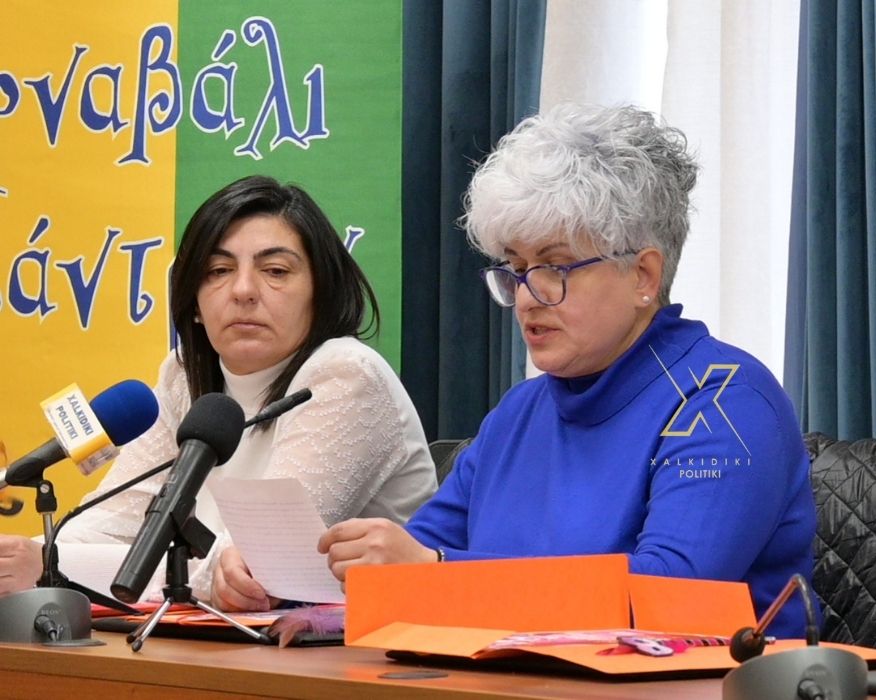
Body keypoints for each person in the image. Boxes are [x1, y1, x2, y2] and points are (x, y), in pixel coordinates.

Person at [314, 103, 817, 637]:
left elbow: (664, 596)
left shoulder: (725, 403)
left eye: (555, 267)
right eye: (516, 269)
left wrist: (434, 571)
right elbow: (414, 557)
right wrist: (312, 593)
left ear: (643, 276)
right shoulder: (519, 411)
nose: (527, 297)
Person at [0, 176, 438, 608]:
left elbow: (253, 571)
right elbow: (114, 522)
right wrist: (24, 557)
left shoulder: (346, 376)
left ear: (320, 293)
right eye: (218, 271)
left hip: (363, 645)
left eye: (275, 271)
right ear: (193, 301)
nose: (243, 290)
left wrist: (52, 566)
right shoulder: (184, 375)